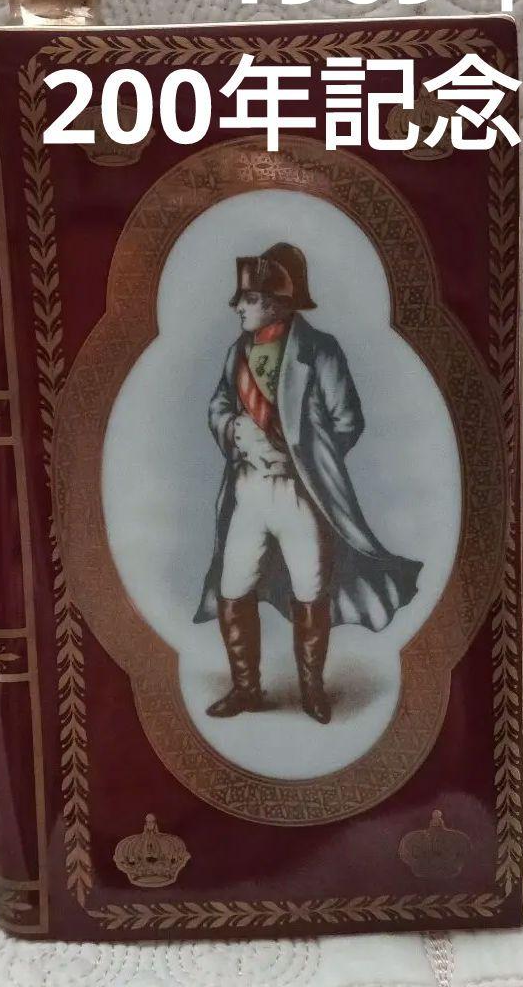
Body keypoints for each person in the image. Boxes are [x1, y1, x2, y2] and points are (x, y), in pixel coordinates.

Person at [193, 242, 422, 724]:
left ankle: (312, 690)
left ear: (277, 302)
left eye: (248, 299)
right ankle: (246, 689)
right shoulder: (238, 352)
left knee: (310, 589)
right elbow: (218, 406)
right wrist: (234, 430)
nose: (238, 308)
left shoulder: (320, 351)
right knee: (233, 586)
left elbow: (347, 422)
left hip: (301, 494)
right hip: (248, 489)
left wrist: (302, 455)